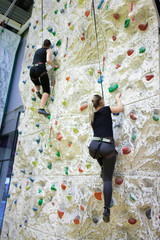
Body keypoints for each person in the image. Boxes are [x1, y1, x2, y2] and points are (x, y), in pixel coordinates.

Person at [88, 93, 123, 223]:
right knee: (107, 180)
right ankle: (106, 209)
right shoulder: (107, 109)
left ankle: (102, 167)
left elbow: (96, 131)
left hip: (93, 148)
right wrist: (117, 98)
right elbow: (120, 109)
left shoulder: (92, 117)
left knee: (100, 155)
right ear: (101, 101)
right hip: (106, 147)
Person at [30, 39, 59, 116]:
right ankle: (41, 108)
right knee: (46, 90)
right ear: (49, 45)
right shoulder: (48, 50)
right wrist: (54, 65)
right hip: (41, 69)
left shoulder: (37, 51)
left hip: (32, 70)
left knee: (36, 82)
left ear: (43, 44)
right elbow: (48, 60)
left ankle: (38, 91)